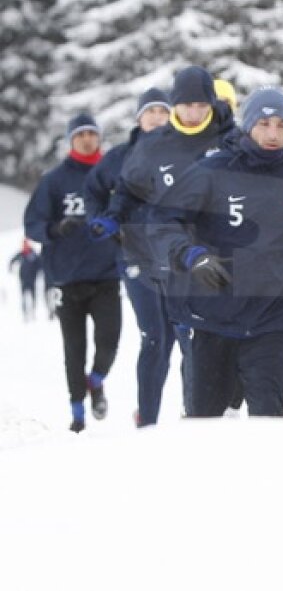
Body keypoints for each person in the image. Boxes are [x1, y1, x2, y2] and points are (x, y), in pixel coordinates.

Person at [148, 88, 283, 417]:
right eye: (264, 124)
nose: (273, 134)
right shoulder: (213, 170)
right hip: (213, 318)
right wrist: (191, 257)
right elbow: (164, 220)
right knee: (204, 425)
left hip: (272, 321)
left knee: (272, 426)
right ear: (248, 126)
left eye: (281, 125)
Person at [116, 66, 240, 417]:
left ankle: (215, 413)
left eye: (202, 105)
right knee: (179, 342)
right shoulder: (154, 146)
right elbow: (127, 190)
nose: (194, 112)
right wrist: (124, 226)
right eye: (186, 105)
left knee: (219, 346)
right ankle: (181, 416)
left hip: (222, 257)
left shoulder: (230, 140)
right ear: (174, 106)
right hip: (174, 259)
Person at [23, 113, 123, 432]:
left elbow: (130, 210)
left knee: (109, 342)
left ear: (99, 138)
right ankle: (78, 413)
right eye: (79, 134)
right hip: (66, 278)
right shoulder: (54, 180)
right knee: (73, 350)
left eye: (92, 133)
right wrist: (54, 229)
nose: (87, 139)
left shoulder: (111, 175)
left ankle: (96, 381)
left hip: (106, 274)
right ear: (70, 140)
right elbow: (33, 225)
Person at [83, 88, 173, 426]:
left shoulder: (180, 154)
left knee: (173, 338)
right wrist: (102, 221)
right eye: (150, 112)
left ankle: (181, 413)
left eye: (163, 112)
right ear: (139, 118)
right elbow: (92, 189)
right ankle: (147, 420)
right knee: (154, 336)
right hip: (133, 255)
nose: (157, 118)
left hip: (173, 259)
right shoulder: (121, 157)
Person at [9, 239, 44, 322]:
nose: (25, 246)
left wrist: (40, 272)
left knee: (33, 296)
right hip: (23, 280)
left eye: (26, 244)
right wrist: (11, 268)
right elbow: (12, 261)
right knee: (24, 297)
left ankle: (33, 311)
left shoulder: (33, 254)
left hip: (32, 279)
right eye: (24, 245)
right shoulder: (21, 254)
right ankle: (25, 314)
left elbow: (40, 264)